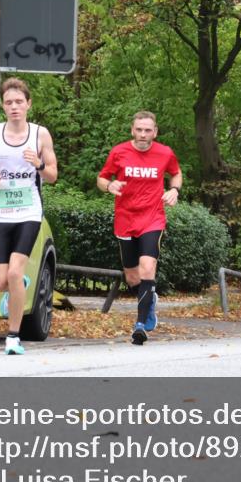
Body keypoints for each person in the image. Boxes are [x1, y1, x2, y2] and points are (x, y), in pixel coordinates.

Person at [0, 78, 58, 355]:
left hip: (28, 211)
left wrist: (39, 164)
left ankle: (13, 337)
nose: (14, 107)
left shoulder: (40, 135)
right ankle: (18, 287)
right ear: (2, 106)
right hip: (0, 211)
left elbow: (53, 175)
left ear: (28, 104)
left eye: (19, 102)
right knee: (1, 281)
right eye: (9, 102)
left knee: (13, 271)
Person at [97, 111, 182, 345]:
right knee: (133, 277)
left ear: (155, 132)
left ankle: (141, 325)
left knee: (147, 267)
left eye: (148, 130)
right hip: (125, 219)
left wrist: (174, 190)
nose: (143, 134)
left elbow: (176, 173)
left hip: (152, 218)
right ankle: (149, 300)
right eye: (139, 130)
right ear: (132, 130)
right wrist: (109, 185)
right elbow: (102, 178)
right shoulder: (119, 152)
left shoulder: (165, 153)